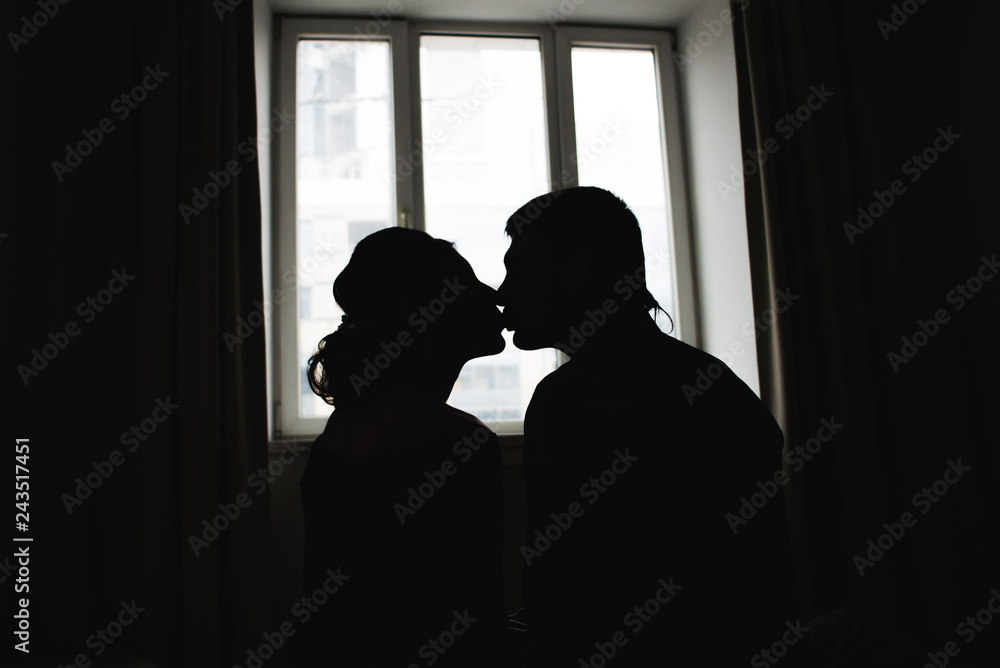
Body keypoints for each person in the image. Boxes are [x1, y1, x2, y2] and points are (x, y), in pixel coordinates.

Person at [497, 186, 824, 666]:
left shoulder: (567, 401)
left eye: (518, 268)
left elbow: (567, 589)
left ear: (575, 271)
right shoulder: (717, 387)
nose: (504, 291)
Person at [287, 227, 508, 667]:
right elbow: (474, 617)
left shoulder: (340, 432)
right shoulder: (462, 445)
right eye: (468, 283)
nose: (494, 296)